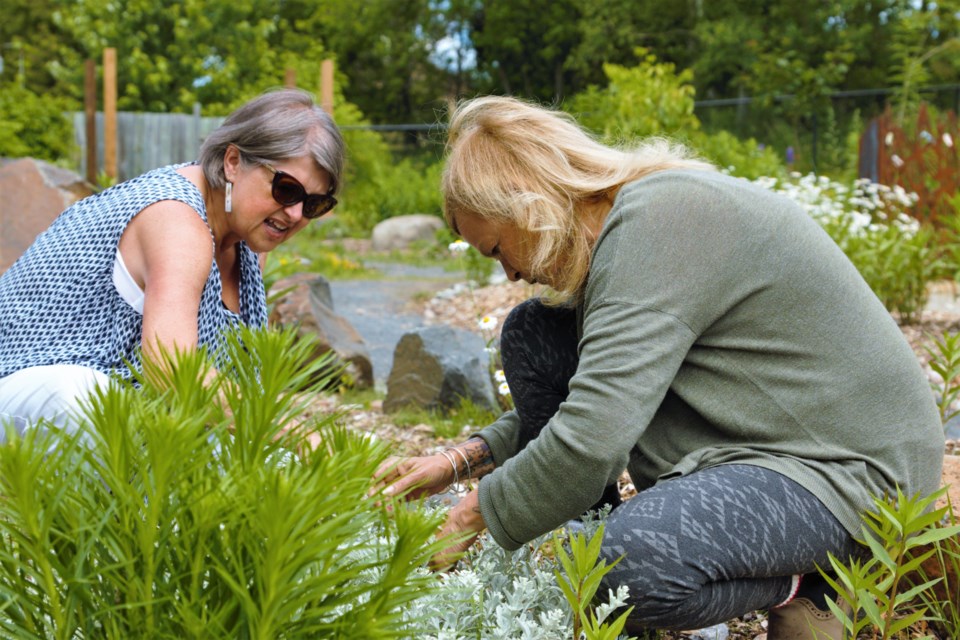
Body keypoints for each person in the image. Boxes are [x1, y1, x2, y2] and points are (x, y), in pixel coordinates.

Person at [375, 96, 943, 639]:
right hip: (768, 440)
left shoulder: (661, 222)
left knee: (617, 569)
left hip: (850, 472)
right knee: (535, 332)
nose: (510, 274)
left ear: (529, 206)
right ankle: (598, 560)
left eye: (498, 249)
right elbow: (597, 390)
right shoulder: (635, 226)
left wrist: (469, 516)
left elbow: (592, 436)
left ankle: (807, 584)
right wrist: (460, 461)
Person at [0, 88, 344, 437]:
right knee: (87, 400)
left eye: (315, 204)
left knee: (275, 462)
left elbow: (218, 395)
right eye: (286, 189)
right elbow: (171, 369)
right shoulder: (177, 220)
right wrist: (300, 435)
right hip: (25, 388)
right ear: (234, 162)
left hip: (123, 411)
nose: (296, 213)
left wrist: (334, 452)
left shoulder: (248, 236)